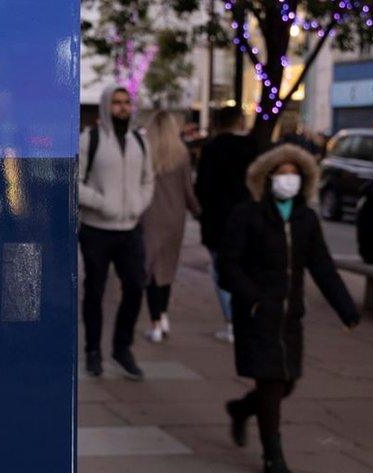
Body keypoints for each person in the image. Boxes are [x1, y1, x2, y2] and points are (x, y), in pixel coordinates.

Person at [218, 144, 361, 473]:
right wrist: (252, 299)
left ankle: (241, 409)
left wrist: (346, 309)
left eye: (294, 173)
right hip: (257, 315)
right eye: (281, 173)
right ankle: (273, 457)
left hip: (289, 317)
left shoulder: (305, 219)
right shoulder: (247, 214)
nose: (288, 179)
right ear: (267, 178)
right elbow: (227, 267)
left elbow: (321, 266)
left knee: (288, 382)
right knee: (271, 382)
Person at [78, 85, 155, 380]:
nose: (122, 107)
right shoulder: (91, 139)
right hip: (97, 230)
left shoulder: (140, 141)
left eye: (126, 103)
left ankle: (122, 347)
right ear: (106, 106)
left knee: (136, 286)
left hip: (130, 229)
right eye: (117, 103)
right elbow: (75, 179)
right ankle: (93, 351)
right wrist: (101, 203)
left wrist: (138, 204)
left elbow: (149, 179)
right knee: (94, 292)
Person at [194, 106, 259, 343]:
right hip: (248, 221)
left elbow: (203, 188)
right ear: (240, 122)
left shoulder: (211, 149)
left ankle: (233, 322)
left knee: (222, 270)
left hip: (218, 222)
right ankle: (247, 317)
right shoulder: (253, 147)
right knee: (246, 269)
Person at [141, 111, 200, 343]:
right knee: (167, 269)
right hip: (175, 217)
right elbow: (188, 190)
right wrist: (197, 210)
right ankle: (163, 315)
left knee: (150, 270)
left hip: (148, 215)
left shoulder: (145, 151)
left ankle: (155, 321)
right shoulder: (181, 153)